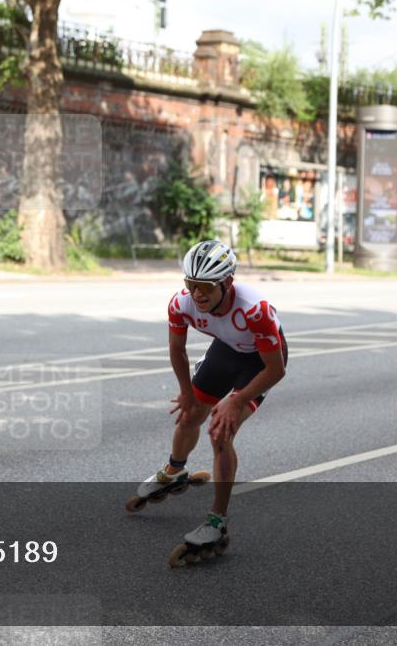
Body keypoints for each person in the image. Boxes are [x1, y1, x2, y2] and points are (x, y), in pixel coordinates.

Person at [131, 239, 287, 563]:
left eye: (205, 286)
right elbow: (177, 349)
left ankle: (217, 521)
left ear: (227, 283)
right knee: (189, 416)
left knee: (220, 431)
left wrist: (237, 399)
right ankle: (175, 471)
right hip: (227, 349)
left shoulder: (254, 311)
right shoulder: (181, 303)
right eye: (191, 284)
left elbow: (277, 369)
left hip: (260, 362)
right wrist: (186, 392)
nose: (197, 294)